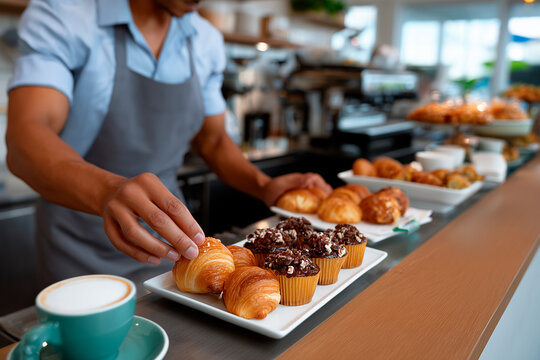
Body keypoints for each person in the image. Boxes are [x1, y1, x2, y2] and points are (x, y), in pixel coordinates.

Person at [6, 0, 331, 287]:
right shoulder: (65, 16)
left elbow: (214, 139)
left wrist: (263, 186)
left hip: (172, 246)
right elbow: (27, 137)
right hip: (79, 251)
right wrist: (107, 191)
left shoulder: (205, 41)